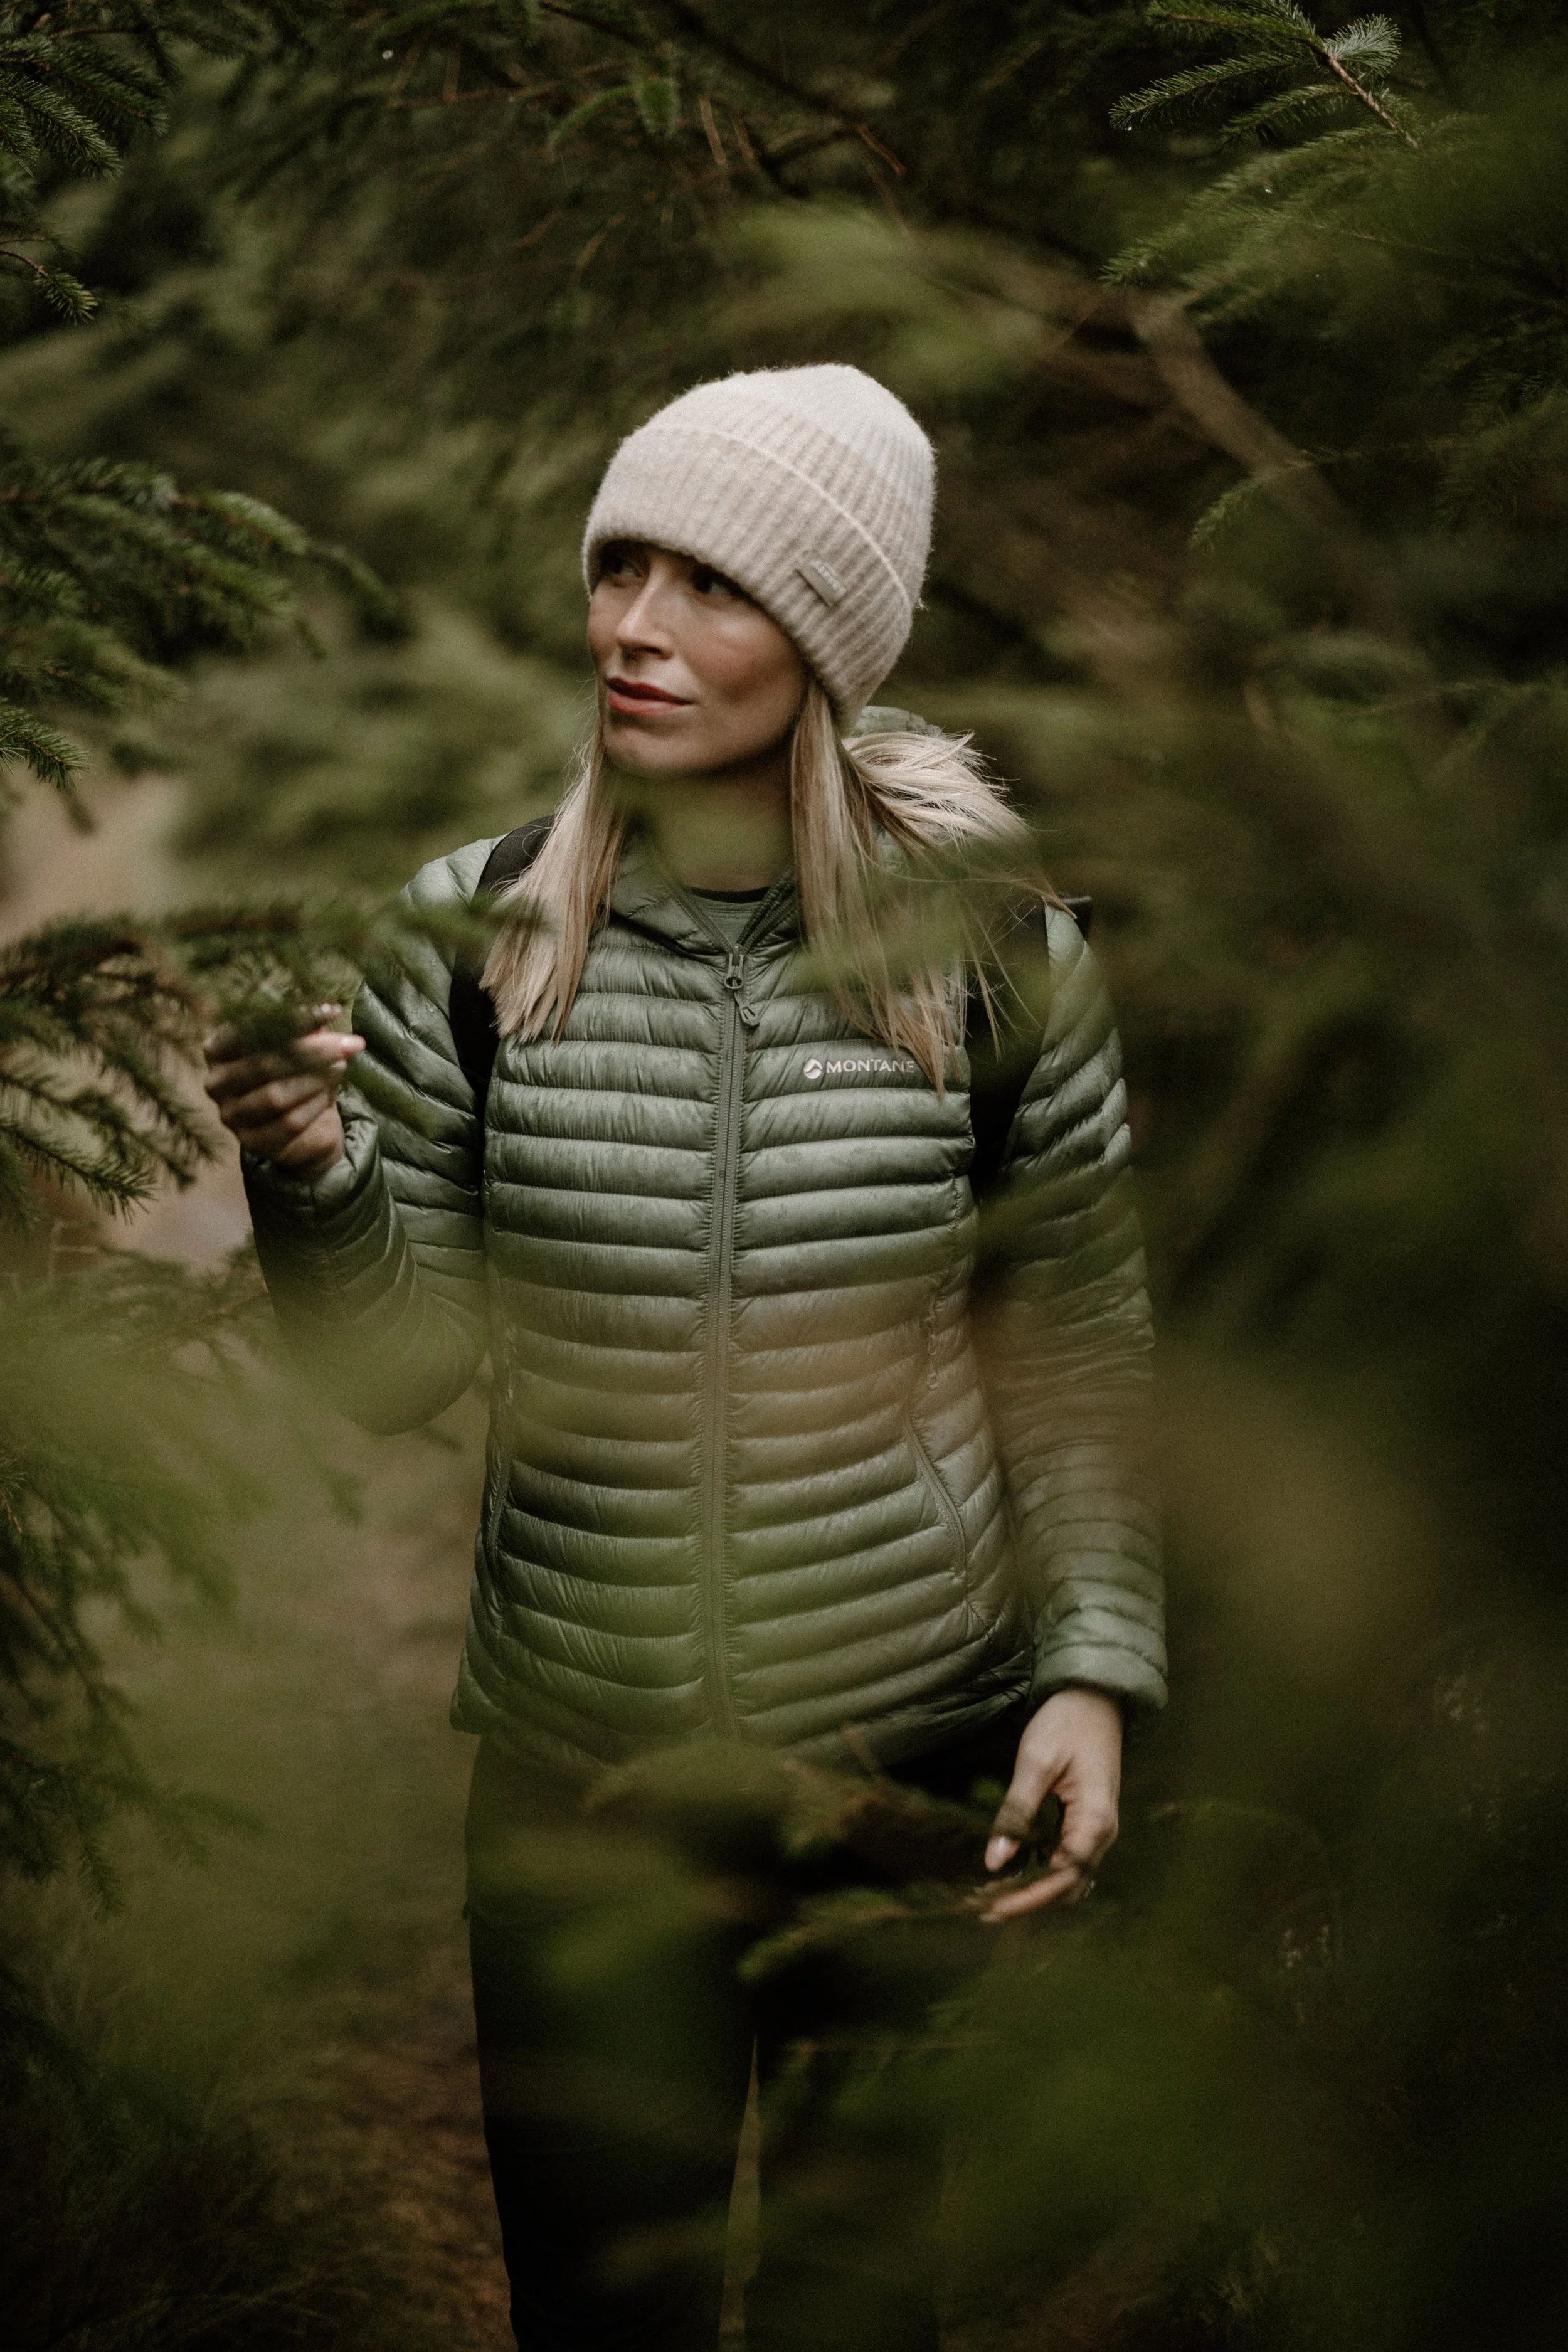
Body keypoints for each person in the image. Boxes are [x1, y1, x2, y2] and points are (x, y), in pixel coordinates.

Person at [205, 364, 1163, 2351]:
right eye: (618, 566)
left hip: (902, 1769)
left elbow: (1070, 1332)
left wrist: (1088, 1665)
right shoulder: (474, 932)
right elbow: (391, 1372)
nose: (633, 626)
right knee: (599, 2313)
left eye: (710, 584)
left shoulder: (993, 952)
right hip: (581, 1777)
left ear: (823, 637)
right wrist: (303, 1164)